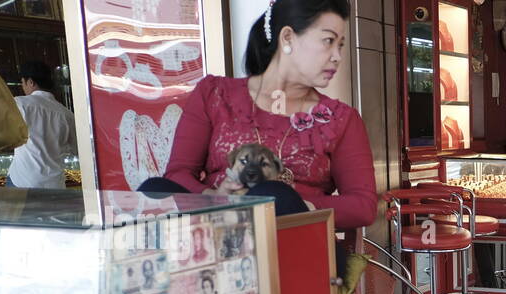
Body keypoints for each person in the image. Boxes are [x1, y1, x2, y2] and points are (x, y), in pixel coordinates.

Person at [139, 0, 377, 239]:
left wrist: (292, 204)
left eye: (341, 45)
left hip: (294, 242)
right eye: (328, 41)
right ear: (287, 38)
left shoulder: (340, 119)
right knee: (154, 189)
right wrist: (213, 198)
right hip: (218, 232)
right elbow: (178, 174)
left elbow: (363, 206)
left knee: (275, 194)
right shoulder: (214, 94)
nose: (337, 56)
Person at [7, 62, 76, 189]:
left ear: (31, 82)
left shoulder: (20, 104)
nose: (23, 87)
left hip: (22, 182)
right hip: (55, 185)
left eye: (23, 83)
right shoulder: (67, 114)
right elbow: (76, 149)